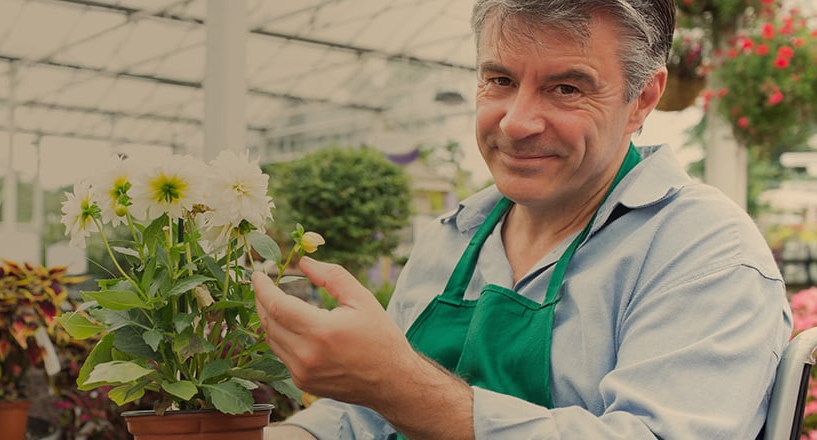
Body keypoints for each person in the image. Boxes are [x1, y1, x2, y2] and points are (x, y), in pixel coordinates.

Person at [251, 0, 794, 438]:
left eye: (566, 88)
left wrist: (400, 385)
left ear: (642, 99)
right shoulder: (454, 234)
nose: (516, 123)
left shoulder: (702, 251)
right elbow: (364, 416)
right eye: (501, 80)